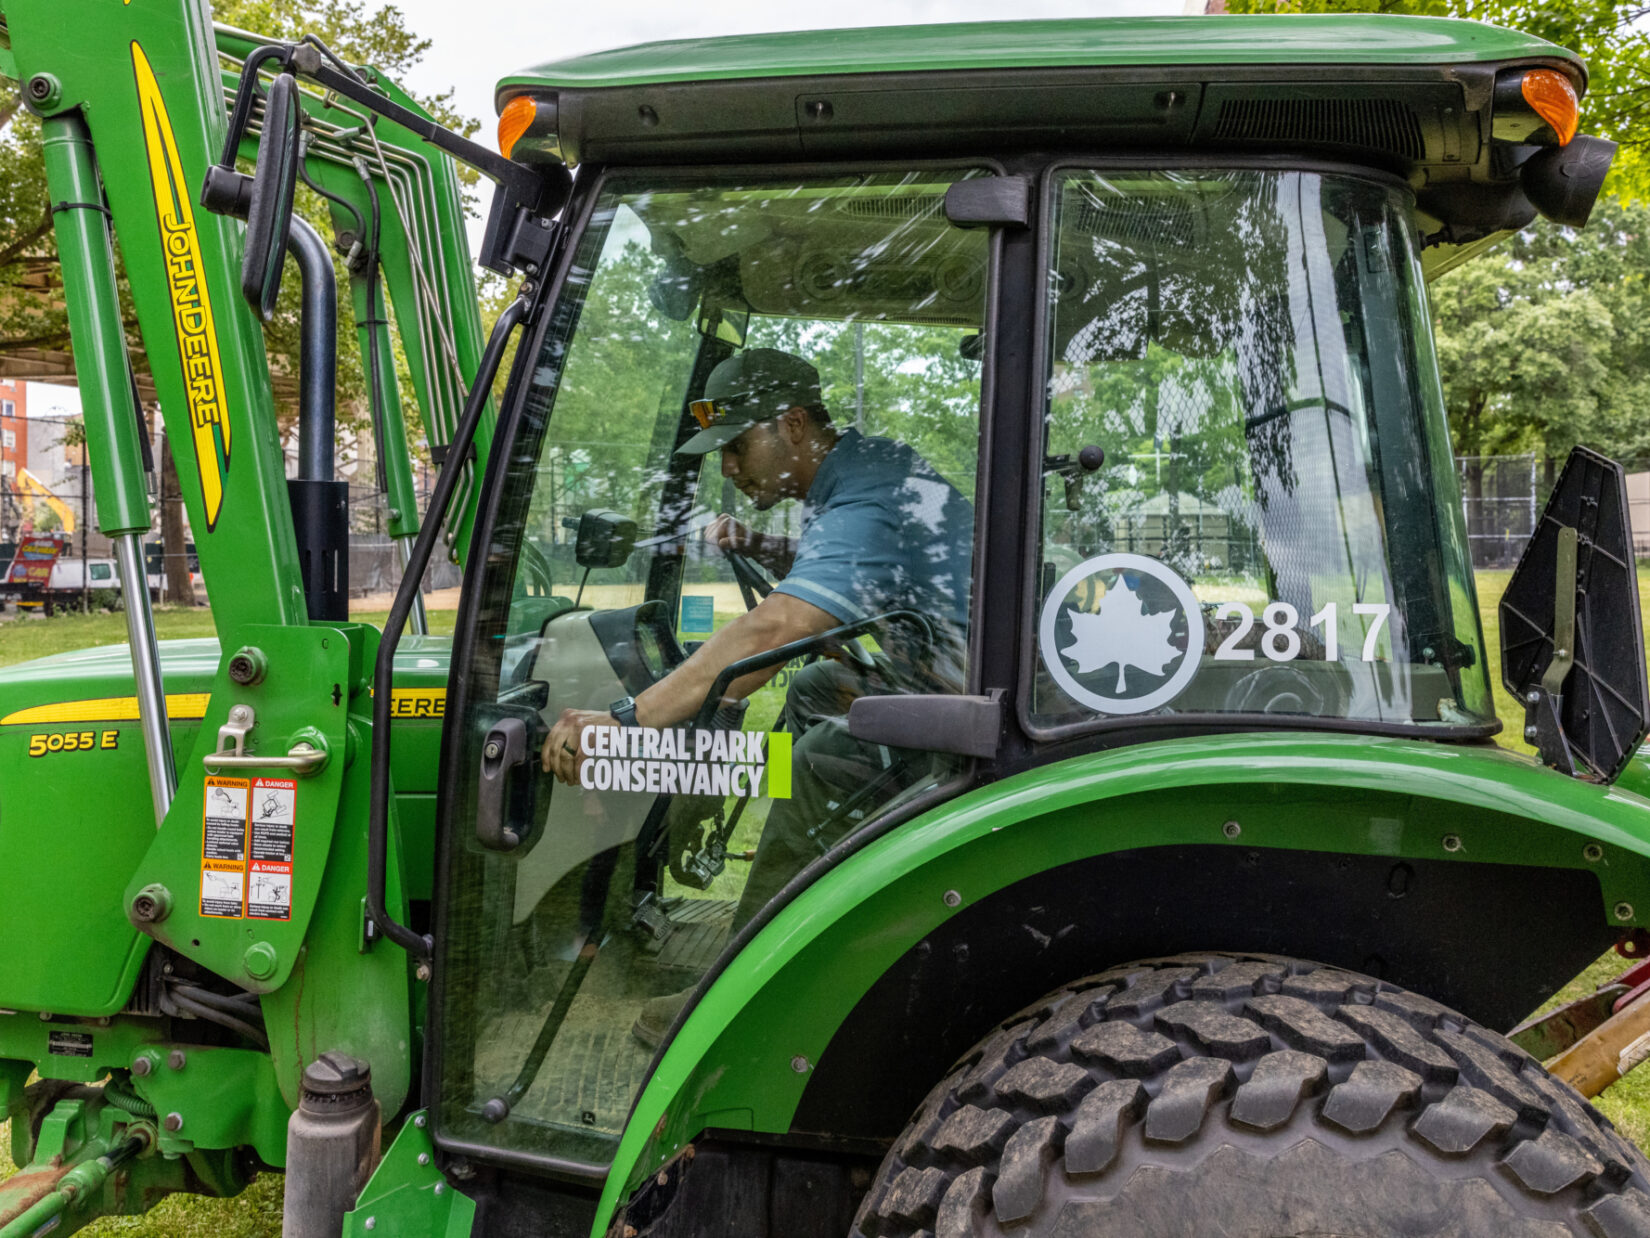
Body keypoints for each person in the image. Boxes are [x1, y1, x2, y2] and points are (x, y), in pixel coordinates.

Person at [541, 346, 972, 1045]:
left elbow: (775, 628)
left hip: (965, 703)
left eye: (738, 447)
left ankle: (740, 999)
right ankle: (813, 908)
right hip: (938, 672)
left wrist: (627, 720)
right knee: (813, 690)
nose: (730, 469)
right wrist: (769, 549)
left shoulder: (866, 490)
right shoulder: (860, 473)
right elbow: (848, 573)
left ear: (794, 426)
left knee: (818, 766)